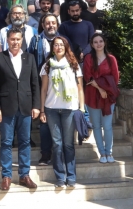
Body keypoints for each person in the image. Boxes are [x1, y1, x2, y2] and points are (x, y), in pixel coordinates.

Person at [0, 27, 40, 191]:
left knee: (25, 142)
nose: (15, 42)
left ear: (22, 40)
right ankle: (6, 176)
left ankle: (24, 175)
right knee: (6, 142)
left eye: (18, 39)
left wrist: (36, 105)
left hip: (26, 107)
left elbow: (35, 83)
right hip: (6, 107)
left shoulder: (30, 58)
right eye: (12, 39)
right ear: (7, 40)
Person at [39, 36, 85, 188]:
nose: (58, 47)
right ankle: (60, 177)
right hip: (51, 109)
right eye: (56, 45)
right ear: (52, 48)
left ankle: (71, 177)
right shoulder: (47, 65)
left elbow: (80, 88)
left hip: (69, 109)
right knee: (57, 144)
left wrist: (82, 108)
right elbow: (43, 89)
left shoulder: (74, 65)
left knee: (68, 144)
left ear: (66, 47)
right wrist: (42, 110)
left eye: (61, 45)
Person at [28, 13, 60, 166]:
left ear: (57, 25)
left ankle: (60, 155)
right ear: (43, 25)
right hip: (43, 87)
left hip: (61, 89)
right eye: (47, 23)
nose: (50, 25)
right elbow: (30, 62)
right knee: (45, 122)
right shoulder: (36, 40)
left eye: (53, 23)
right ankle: (45, 154)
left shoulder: (63, 41)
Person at [83, 32, 120, 164]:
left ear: (104, 43)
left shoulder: (111, 59)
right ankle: (102, 153)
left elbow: (115, 78)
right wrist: (100, 89)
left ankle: (109, 152)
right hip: (93, 95)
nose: (98, 44)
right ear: (92, 45)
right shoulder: (88, 58)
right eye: (95, 42)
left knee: (107, 126)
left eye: (100, 41)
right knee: (96, 126)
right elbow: (88, 77)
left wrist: (106, 91)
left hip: (107, 97)